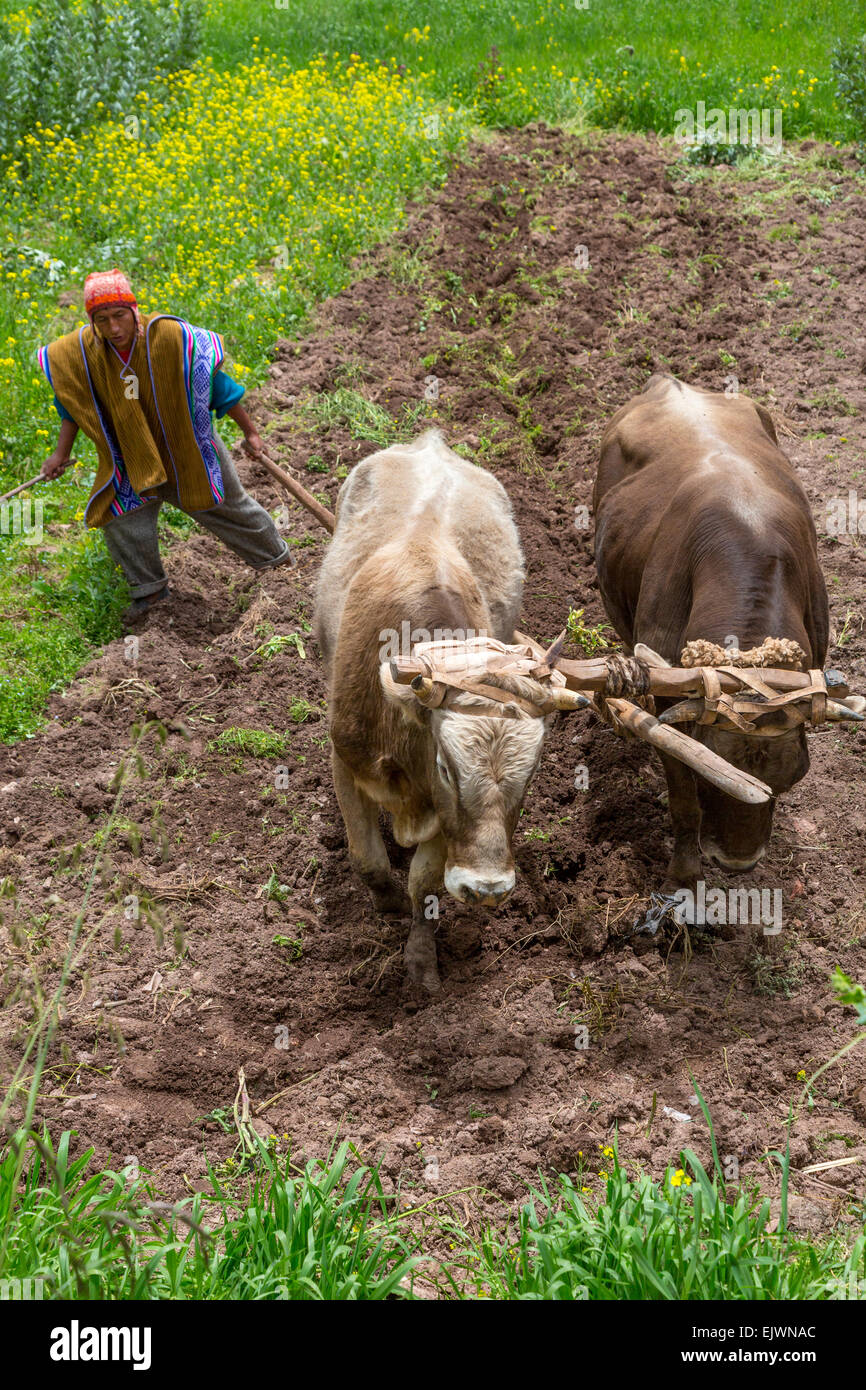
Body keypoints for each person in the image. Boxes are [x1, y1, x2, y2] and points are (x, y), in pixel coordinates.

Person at [37, 269, 291, 623]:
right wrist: (60, 454)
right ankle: (151, 592)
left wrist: (250, 433)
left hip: (187, 445)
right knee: (120, 516)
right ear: (92, 321)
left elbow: (220, 388)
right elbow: (73, 407)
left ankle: (279, 567)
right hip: (130, 456)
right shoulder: (81, 354)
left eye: (120, 315)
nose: (113, 328)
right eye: (102, 319)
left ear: (134, 311)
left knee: (227, 504)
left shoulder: (169, 338)